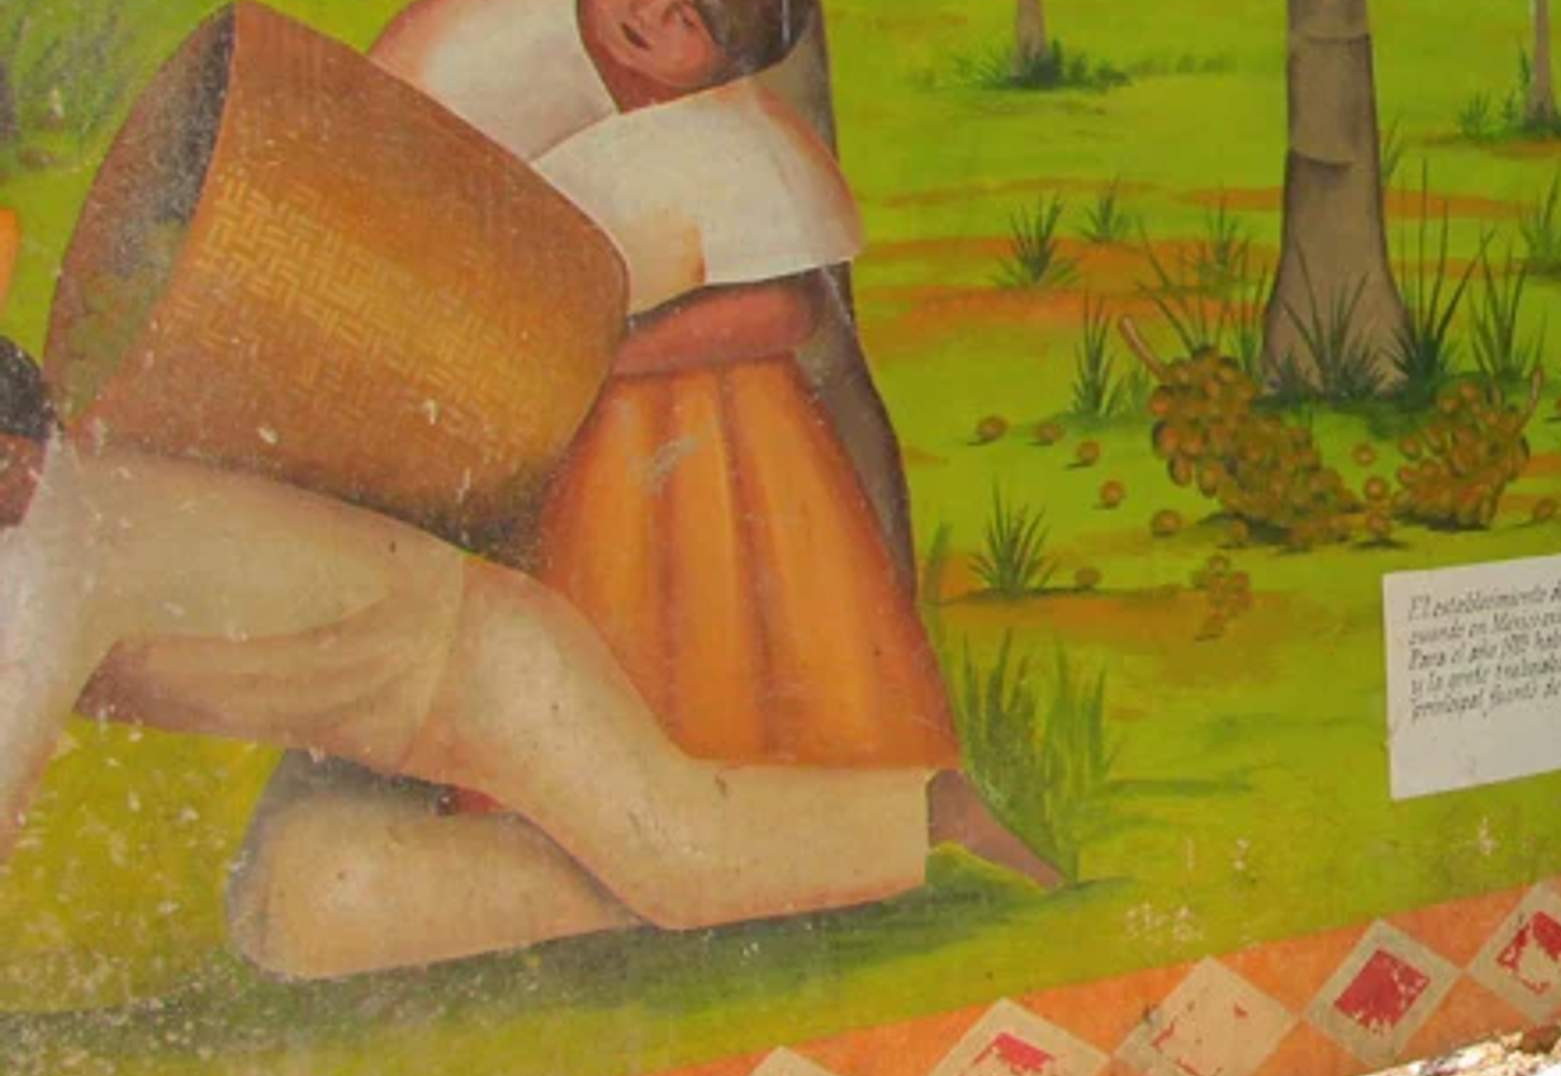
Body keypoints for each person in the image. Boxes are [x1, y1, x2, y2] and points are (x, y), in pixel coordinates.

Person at [0, 337, 1054, 980]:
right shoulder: (42, 535)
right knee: (293, 911)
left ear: (20, 449)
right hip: (364, 738)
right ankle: (625, 889)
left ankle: (931, 812)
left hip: (485, 663)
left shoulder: (63, 535)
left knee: (684, 860)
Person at [368, 0, 955, 780]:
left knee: (693, 612)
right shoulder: (583, 113)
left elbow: (782, 306)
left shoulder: (734, 147)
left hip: (703, 429)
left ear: (731, 58)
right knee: (579, 611)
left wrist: (614, 359)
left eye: (692, 17)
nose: (651, 14)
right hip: (593, 417)